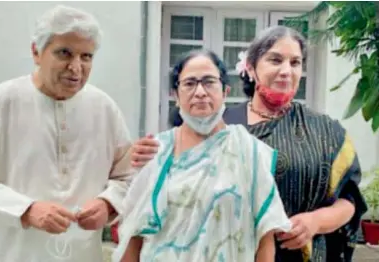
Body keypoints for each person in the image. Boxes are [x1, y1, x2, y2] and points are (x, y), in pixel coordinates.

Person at [129, 26, 368, 262]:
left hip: (301, 253)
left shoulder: (326, 132)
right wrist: (146, 155)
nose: (286, 70)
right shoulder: (217, 125)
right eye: (275, 60)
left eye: (295, 63)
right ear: (251, 68)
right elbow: (177, 177)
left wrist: (315, 221)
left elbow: (349, 200)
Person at [0, 5, 134, 262]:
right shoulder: (2, 102)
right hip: (7, 254)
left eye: (86, 57)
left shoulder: (104, 108)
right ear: (36, 52)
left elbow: (129, 177)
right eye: (65, 53)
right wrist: (26, 210)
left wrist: (107, 204)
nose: (76, 67)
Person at [112, 49, 292, 262]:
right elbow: (135, 236)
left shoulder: (249, 153)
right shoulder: (156, 152)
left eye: (208, 82)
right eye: (189, 83)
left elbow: (265, 236)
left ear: (225, 92)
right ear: (175, 95)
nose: (200, 92)